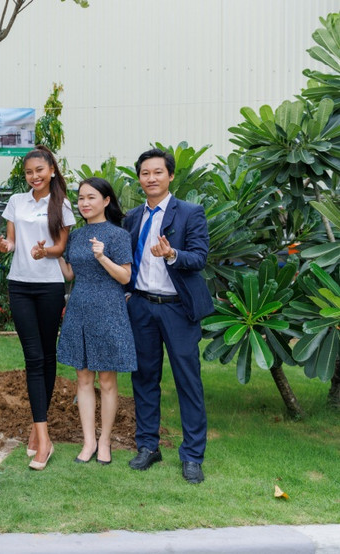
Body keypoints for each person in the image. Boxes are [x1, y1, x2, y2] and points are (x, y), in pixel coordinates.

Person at [123, 148, 213, 484]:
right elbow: (126, 259)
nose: (151, 178)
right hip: (142, 307)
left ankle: (192, 456)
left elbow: (199, 257)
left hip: (177, 308)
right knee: (144, 379)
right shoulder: (133, 217)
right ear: (139, 178)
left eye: (158, 172)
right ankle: (148, 446)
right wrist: (129, 294)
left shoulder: (190, 213)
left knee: (188, 381)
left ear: (170, 175)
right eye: (145, 173)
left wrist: (172, 253)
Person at [0, 145, 75, 471]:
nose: (34, 176)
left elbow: (61, 246)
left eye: (39, 170)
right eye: (29, 172)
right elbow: (12, 241)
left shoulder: (62, 204)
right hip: (20, 285)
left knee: (47, 355)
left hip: (50, 286)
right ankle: (44, 439)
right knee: (33, 358)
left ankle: (36, 428)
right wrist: (5, 245)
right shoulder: (17, 201)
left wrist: (46, 252)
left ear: (51, 170)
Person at [56, 178, 136, 466]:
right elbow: (70, 274)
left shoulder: (118, 235)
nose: (85, 203)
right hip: (79, 308)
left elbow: (125, 277)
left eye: (91, 197)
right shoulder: (76, 235)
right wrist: (53, 252)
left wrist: (102, 257)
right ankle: (89, 441)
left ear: (106, 201)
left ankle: (105, 441)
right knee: (83, 378)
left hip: (108, 309)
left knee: (107, 380)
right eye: (81, 198)